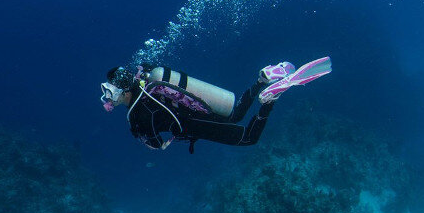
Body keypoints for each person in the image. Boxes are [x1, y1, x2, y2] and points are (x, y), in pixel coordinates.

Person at [100, 57, 331, 152]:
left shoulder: (137, 114)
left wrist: (157, 143)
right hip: (197, 107)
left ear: (121, 90)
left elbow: (155, 142)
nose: (108, 98)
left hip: (192, 124)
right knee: (235, 114)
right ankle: (261, 80)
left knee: (248, 139)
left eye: (109, 92)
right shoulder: (147, 83)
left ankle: (269, 98)